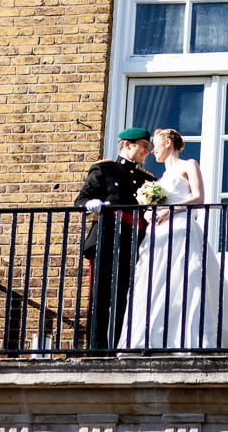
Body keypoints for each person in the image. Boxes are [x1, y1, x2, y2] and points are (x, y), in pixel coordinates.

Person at [118, 128, 228, 351]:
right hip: (159, 235)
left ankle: (193, 340)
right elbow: (156, 205)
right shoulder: (160, 178)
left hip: (182, 228)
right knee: (157, 285)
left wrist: (171, 210)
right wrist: (150, 212)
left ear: (168, 142)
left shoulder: (188, 165)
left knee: (188, 281)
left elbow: (198, 197)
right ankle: (154, 341)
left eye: (156, 144)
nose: (152, 149)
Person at [74, 127, 156, 350]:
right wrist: (91, 205)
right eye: (144, 147)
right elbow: (82, 199)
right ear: (128, 145)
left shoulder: (146, 179)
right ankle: (96, 349)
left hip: (134, 243)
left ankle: (117, 346)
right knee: (99, 296)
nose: (147, 152)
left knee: (124, 297)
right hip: (106, 238)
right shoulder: (104, 169)